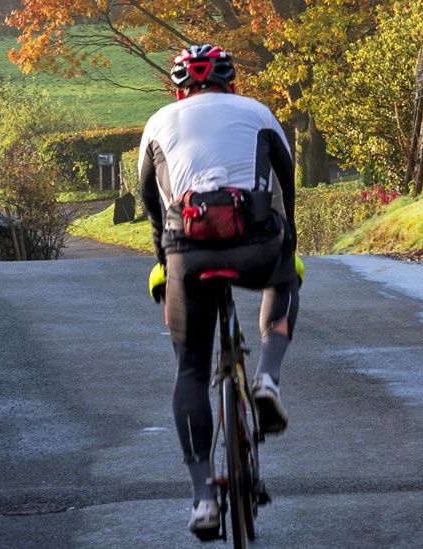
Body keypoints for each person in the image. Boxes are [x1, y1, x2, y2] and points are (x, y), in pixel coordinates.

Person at [138, 44, 301, 535]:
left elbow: (151, 200)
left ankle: (202, 499)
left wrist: (163, 258)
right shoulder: (257, 112)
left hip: (188, 253)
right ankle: (267, 378)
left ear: (178, 88)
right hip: (255, 246)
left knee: (190, 370)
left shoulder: (158, 122)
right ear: (232, 83)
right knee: (287, 276)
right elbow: (287, 183)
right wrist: (287, 239)